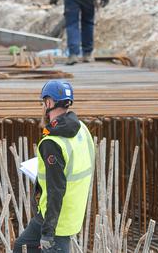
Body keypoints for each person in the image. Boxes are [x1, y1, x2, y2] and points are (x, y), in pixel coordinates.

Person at [13, 80, 95, 253]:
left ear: (49, 103)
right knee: (22, 247)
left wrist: (48, 233)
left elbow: (56, 190)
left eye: (43, 102)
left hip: (58, 218)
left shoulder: (52, 142)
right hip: (70, 210)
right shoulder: (82, 129)